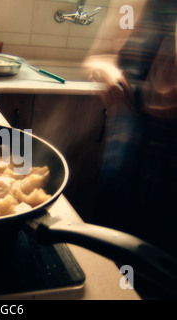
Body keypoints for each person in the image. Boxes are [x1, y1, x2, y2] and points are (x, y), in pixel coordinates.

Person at [83, 0, 177, 261]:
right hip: (127, 147)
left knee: (163, 260)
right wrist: (107, 73)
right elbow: (100, 57)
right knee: (114, 239)